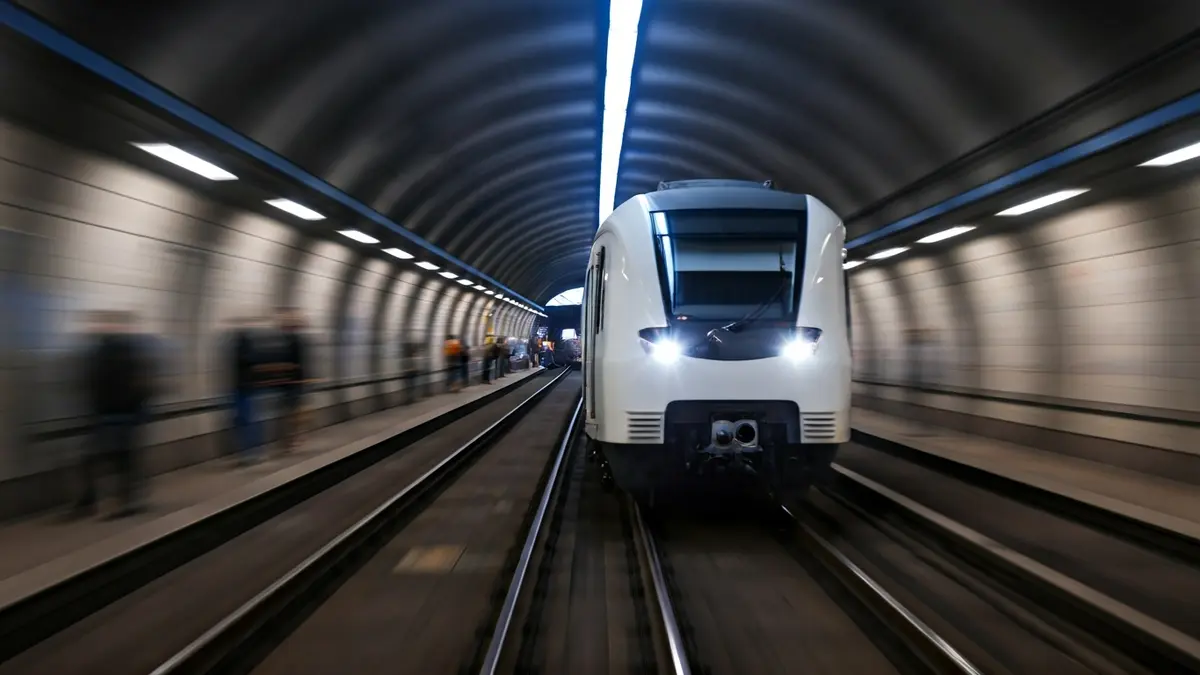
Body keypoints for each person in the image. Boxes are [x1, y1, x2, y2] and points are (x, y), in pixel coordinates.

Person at [76, 310, 153, 517]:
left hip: (114, 415)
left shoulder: (106, 354)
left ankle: (118, 500)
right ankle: (122, 498)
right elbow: (141, 385)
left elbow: (95, 384)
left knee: (114, 458)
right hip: (118, 415)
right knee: (121, 458)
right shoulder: (128, 353)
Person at [231, 317, 264, 465]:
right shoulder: (248, 348)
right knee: (249, 421)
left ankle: (249, 453)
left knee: (245, 421)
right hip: (247, 388)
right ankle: (252, 452)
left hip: (243, 389)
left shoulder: (240, 348)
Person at [277, 309, 308, 451]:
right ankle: (293, 438)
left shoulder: (290, 341)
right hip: (291, 382)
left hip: (291, 382)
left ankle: (292, 438)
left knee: (292, 412)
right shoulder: (295, 341)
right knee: (293, 412)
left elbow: (299, 362)